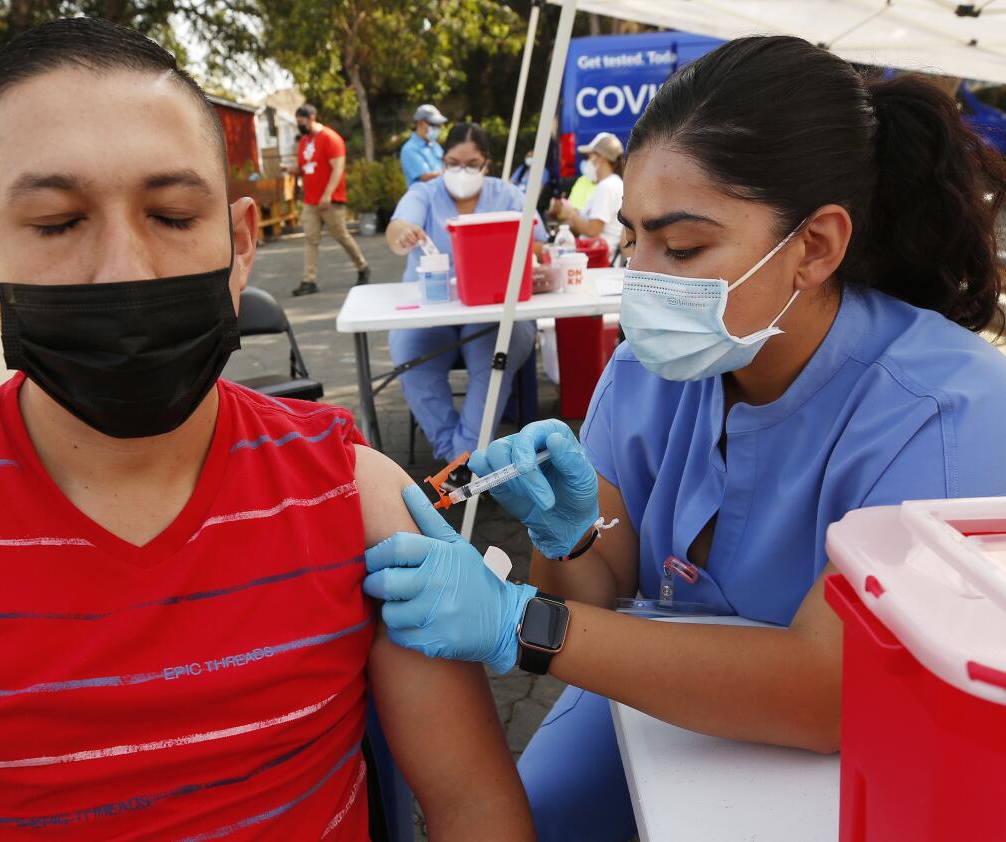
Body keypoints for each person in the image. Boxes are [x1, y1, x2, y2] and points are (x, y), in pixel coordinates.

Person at [0, 19, 536, 841]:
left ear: (240, 245)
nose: (126, 268)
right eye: (55, 223)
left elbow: (475, 809)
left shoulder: (356, 498)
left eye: (175, 214)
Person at [362, 36, 1006, 842]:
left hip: (839, 771)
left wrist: (516, 623)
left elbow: (828, 692)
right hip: (648, 711)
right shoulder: (648, 371)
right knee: (539, 819)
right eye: (635, 238)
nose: (644, 279)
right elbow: (593, 590)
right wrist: (564, 536)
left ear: (815, 245)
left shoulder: (946, 410)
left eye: (685, 246)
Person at [384, 123, 549, 485]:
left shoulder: (507, 194)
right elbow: (396, 229)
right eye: (452, 162)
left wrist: (518, 246)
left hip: (495, 308)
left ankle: (465, 461)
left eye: (471, 164)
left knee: (493, 359)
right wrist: (404, 235)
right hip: (431, 310)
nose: (461, 171)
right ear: (442, 161)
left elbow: (539, 243)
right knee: (411, 357)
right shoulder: (424, 193)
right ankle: (455, 456)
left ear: (486, 164)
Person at [283, 104, 369, 297]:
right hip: (310, 200)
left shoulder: (330, 138)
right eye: (298, 122)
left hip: (329, 200)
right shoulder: (304, 141)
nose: (300, 125)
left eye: (302, 121)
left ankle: (362, 267)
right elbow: (307, 166)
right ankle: (308, 280)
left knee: (341, 236)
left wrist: (328, 194)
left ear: (312, 117)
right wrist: (295, 169)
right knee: (310, 239)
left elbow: (338, 168)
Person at [550, 131, 626, 258]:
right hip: (596, 257)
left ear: (600, 158)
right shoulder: (610, 184)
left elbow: (593, 230)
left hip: (598, 261)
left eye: (590, 157)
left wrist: (571, 214)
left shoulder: (607, 186)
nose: (588, 162)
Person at [400, 103, 447, 186]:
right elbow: (425, 177)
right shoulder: (410, 149)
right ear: (420, 123)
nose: (437, 128)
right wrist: (452, 173)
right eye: (433, 124)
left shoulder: (435, 146)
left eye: (438, 125)